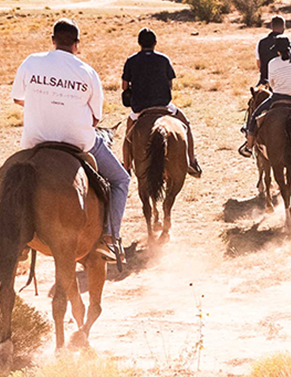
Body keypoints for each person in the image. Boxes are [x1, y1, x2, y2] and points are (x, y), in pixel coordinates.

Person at [10, 19, 129, 263]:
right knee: (120, 180)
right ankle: (108, 238)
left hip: (35, 140)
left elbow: (18, 99)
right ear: (77, 45)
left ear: (52, 40)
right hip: (79, 143)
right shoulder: (87, 72)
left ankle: (14, 235)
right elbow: (96, 118)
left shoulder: (31, 62)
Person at [121, 28, 202, 177]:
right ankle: (191, 161)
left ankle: (126, 167)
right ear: (155, 43)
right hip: (164, 105)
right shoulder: (163, 59)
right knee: (187, 125)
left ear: (139, 43)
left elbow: (125, 86)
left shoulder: (131, 60)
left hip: (140, 109)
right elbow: (170, 84)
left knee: (128, 136)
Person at [240, 36, 291, 157]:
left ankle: (249, 146)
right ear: (289, 48)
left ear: (277, 51)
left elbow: (272, 84)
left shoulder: (273, 63)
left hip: (278, 97)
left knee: (254, 116)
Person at [256, 15, 288, 85]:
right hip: (282, 82)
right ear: (283, 28)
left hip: (265, 80)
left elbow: (259, 64)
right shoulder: (289, 44)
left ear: (271, 27)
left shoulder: (261, 43)